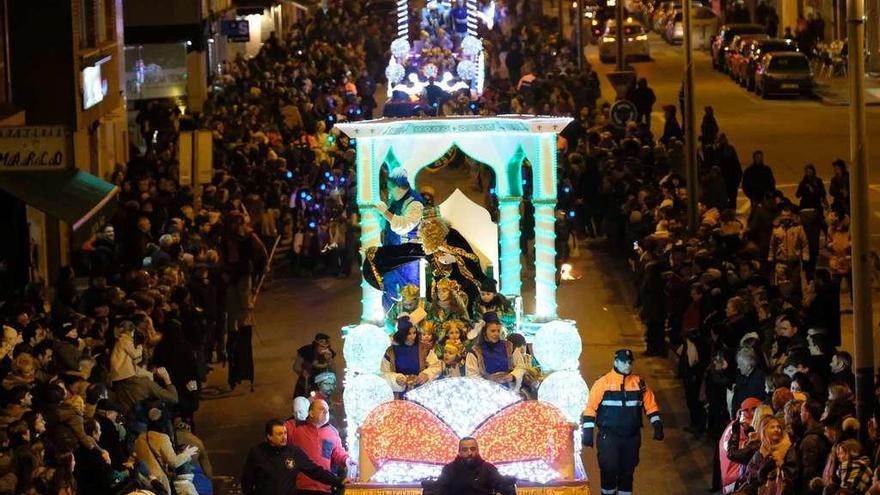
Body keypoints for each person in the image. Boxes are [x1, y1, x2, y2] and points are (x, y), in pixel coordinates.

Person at [582, 349, 663, 495]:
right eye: (624, 362)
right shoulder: (603, 383)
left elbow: (650, 406)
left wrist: (657, 424)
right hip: (609, 437)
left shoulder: (640, 384)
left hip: (631, 438)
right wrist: (587, 431)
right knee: (609, 470)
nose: (627, 365)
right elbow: (590, 408)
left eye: (630, 362)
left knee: (627, 472)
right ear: (615, 362)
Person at [241, 419, 346, 495]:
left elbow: (315, 470)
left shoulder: (294, 452)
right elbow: (247, 479)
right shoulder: (257, 452)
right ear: (269, 436)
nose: (284, 437)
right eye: (279, 434)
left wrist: (338, 481)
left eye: (285, 433)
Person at [374, 167, 426, 310]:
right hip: (392, 252)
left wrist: (385, 212)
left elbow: (404, 226)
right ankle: (390, 321)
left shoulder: (415, 203)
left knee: (409, 291)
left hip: (408, 256)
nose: (389, 191)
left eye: (390, 188)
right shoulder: (396, 200)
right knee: (389, 285)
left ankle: (411, 326)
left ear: (397, 187)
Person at [289, 400, 351, 495]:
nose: (326, 412)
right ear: (311, 413)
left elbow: (338, 452)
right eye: (322, 409)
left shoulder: (332, 432)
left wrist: (347, 460)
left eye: (327, 410)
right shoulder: (296, 429)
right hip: (300, 488)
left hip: (325, 487)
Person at [426, 437, 515, 495]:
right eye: (465, 450)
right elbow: (440, 490)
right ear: (459, 452)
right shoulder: (449, 469)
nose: (469, 453)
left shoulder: (488, 468)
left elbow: (502, 486)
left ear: (477, 450)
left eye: (472, 449)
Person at [466, 312, 527, 390]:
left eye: (498, 330)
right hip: (487, 392)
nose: (496, 334)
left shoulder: (509, 347)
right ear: (485, 332)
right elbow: (472, 376)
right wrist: (489, 384)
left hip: (508, 391)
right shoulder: (475, 351)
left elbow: (521, 366)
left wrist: (513, 376)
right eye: (493, 331)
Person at [293, 334, 336, 398]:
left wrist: (329, 360)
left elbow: (333, 371)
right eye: (321, 346)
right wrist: (302, 372)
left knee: (321, 405)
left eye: (326, 347)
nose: (324, 349)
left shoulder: (329, 354)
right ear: (316, 345)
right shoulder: (306, 351)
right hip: (306, 383)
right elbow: (296, 366)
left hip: (322, 386)